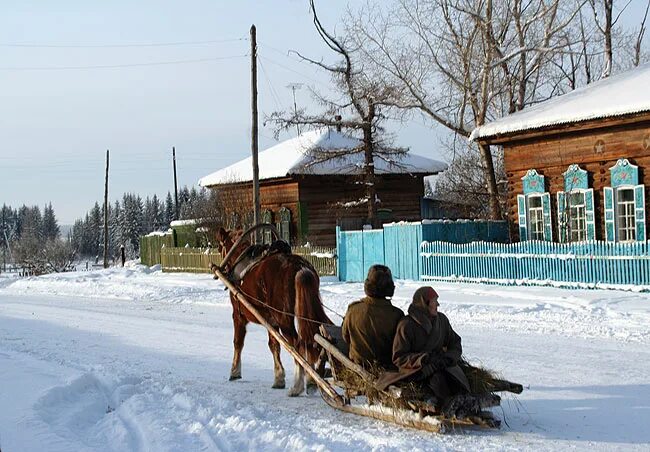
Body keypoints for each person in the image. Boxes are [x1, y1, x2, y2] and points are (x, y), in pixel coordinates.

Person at [377, 286, 472, 415]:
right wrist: (424, 358)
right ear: (424, 303)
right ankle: (447, 406)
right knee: (438, 380)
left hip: (440, 364)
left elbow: (455, 342)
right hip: (416, 370)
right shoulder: (406, 325)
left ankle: (463, 400)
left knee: (457, 378)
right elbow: (399, 357)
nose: (438, 304)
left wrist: (448, 357)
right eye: (434, 301)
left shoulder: (442, 320)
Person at [341, 265, 404, 369]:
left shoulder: (353, 310)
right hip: (387, 370)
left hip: (358, 368)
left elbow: (345, 337)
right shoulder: (397, 315)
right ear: (390, 287)